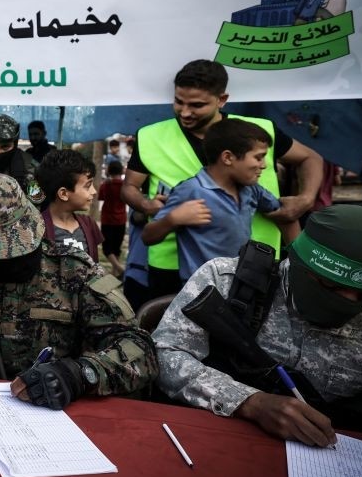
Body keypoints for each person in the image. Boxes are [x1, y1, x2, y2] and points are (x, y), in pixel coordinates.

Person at [153, 204, 362, 446]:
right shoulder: (227, 283)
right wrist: (249, 402)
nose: (347, 302)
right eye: (332, 286)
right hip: (211, 444)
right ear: (300, 262)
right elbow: (164, 354)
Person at [0, 173, 157, 409]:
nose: (0, 261)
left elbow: (140, 349)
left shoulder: (74, 272)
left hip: (58, 413)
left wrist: (78, 375)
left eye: (10, 251)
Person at [121, 59, 324, 302]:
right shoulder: (151, 136)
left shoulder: (258, 132)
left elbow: (310, 159)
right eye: (178, 102)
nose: (185, 112)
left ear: (222, 99)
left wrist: (306, 198)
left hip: (256, 262)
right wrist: (145, 205)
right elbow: (130, 187)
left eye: (197, 105)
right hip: (175, 267)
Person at [142, 118, 283, 284]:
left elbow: (283, 210)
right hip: (201, 293)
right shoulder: (191, 191)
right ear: (228, 157)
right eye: (258, 158)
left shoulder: (251, 189)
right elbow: (148, 237)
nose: (264, 165)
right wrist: (173, 219)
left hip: (240, 287)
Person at [35, 149, 103, 262]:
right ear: (63, 194)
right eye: (88, 185)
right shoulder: (37, 229)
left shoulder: (89, 224)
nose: (94, 191)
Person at [98, 160, 128, 278]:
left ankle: (120, 270)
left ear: (109, 171)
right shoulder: (125, 185)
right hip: (121, 219)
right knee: (117, 247)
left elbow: (100, 198)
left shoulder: (105, 185)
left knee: (107, 248)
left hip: (108, 220)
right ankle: (116, 273)